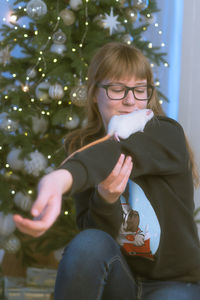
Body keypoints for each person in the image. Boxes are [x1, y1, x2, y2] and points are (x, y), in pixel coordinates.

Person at [14, 42, 200, 300]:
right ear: (94, 93)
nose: (130, 100)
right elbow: (94, 237)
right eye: (116, 89)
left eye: (139, 90)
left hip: (174, 283)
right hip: (120, 279)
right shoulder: (82, 149)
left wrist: (60, 179)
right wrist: (105, 199)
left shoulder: (166, 133)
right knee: (88, 242)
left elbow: (117, 150)